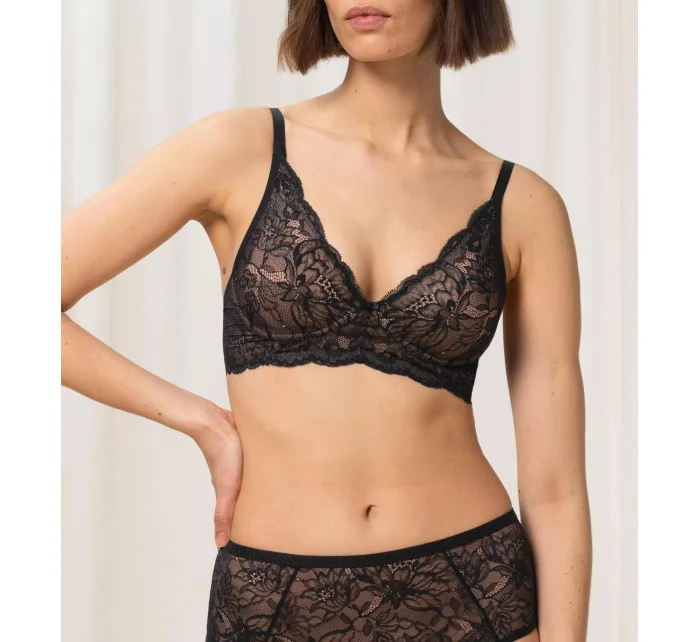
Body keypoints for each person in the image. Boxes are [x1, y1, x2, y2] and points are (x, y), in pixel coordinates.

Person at [61, 1, 592, 640]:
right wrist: (203, 422)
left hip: (472, 591)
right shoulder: (239, 149)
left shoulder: (523, 204)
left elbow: (556, 489)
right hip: (274, 597)